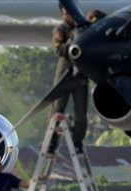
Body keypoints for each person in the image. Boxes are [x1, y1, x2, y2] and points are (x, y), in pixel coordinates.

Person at [49, 3, 89, 155]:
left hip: (80, 74)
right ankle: (51, 143)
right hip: (65, 74)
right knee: (57, 108)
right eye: (67, 13)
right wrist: (72, 40)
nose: (70, 16)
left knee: (81, 112)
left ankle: (77, 142)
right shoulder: (60, 29)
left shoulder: (83, 28)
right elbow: (59, 50)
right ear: (62, 14)